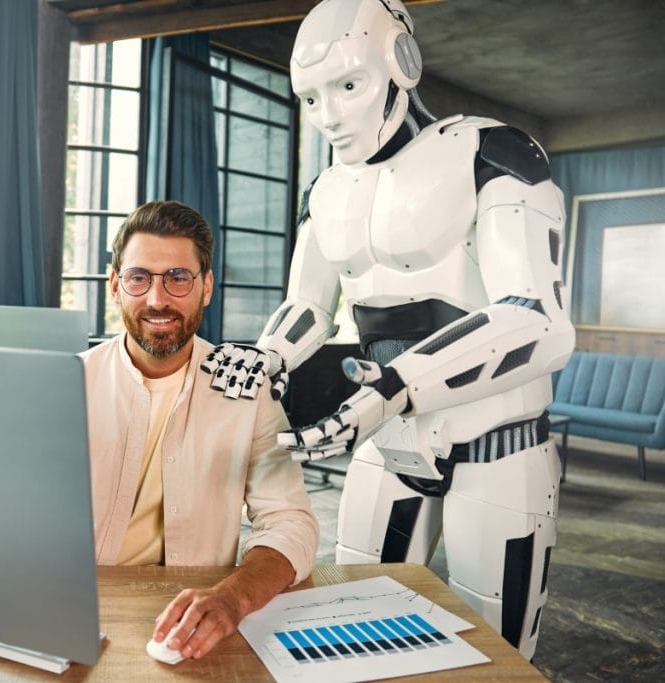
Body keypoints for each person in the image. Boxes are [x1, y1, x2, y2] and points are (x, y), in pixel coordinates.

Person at [200, 0, 574, 660]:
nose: (330, 116)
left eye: (348, 85)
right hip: (386, 435)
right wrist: (267, 355)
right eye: (311, 97)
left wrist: (399, 383)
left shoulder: (492, 151)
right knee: (356, 626)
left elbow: (536, 319)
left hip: (497, 440)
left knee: (501, 654)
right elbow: (308, 305)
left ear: (402, 63)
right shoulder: (326, 191)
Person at [81, 200, 319, 661]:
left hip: (197, 618)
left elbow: (291, 522)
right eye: (138, 278)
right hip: (81, 609)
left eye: (178, 278)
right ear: (115, 286)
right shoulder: (70, 382)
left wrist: (234, 598)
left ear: (206, 287)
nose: (157, 299)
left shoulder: (246, 387)